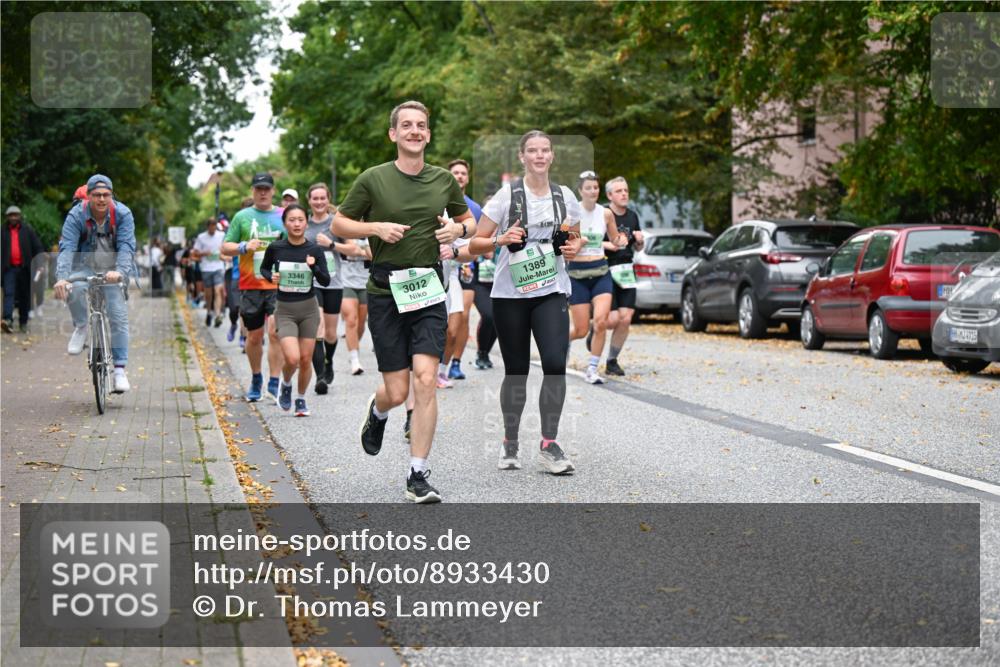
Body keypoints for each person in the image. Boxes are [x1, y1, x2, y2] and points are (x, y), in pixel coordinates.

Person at [333, 100, 475, 504]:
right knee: (396, 392)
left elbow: (469, 223)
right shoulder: (373, 180)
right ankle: (378, 412)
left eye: (421, 126)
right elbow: (339, 223)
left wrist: (456, 231)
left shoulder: (444, 180)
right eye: (406, 126)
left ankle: (418, 474)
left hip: (429, 288)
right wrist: (374, 227)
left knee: (427, 380)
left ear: (428, 135)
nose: (415, 131)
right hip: (385, 291)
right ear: (394, 134)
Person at [467, 130, 584, 475]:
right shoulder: (506, 197)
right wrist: (501, 239)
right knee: (516, 371)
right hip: (510, 295)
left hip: (551, 291)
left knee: (554, 362)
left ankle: (549, 443)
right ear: (522, 157)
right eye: (532, 150)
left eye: (545, 150)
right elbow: (476, 243)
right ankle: (510, 440)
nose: (539, 156)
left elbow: (575, 238)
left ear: (552, 155)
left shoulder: (565, 196)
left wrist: (574, 246)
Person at [52, 174, 136, 393]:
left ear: (111, 195)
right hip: (84, 266)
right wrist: (62, 277)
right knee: (75, 287)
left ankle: (119, 370)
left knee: (118, 316)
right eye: (96, 195)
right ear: (88, 197)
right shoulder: (76, 215)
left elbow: (127, 246)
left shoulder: (123, 213)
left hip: (113, 269)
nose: (101, 199)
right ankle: (81, 326)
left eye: (106, 195)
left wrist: (119, 272)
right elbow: (67, 247)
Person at [259, 204, 331, 416]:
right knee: (291, 358)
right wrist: (269, 276)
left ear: (306, 222)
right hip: (285, 309)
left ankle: (300, 399)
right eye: (292, 220)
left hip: (309, 309)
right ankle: (286, 383)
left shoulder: (315, 250)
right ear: (285, 223)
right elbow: (264, 267)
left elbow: (326, 281)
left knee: (305, 359)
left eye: (300, 220)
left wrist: (314, 267)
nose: (297, 224)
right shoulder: (276, 248)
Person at [222, 172, 286, 402]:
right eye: (258, 188)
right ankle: (257, 376)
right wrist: (243, 246)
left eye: (266, 188)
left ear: (273, 191)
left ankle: (275, 380)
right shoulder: (242, 217)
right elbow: (225, 247)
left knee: (275, 333)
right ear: (252, 191)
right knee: (254, 337)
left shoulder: (283, 215)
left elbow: (297, 240)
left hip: (277, 284)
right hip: (250, 285)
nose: (262, 192)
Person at [567, 171, 626, 384]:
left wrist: (622, 240)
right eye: (589, 188)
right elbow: (566, 251)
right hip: (577, 275)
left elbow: (614, 237)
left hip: (601, 272)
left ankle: (592, 368)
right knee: (582, 330)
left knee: (601, 322)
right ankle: (561, 343)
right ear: (580, 191)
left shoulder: (606, 213)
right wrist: (578, 243)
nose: (593, 191)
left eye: (596, 187)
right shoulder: (572, 214)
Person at [305, 182, 354, 394]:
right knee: (319, 328)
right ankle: (320, 377)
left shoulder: (336, 223)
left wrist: (331, 244)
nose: (318, 202)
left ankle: (329, 361)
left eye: (322, 198)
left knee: (331, 334)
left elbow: (352, 248)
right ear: (309, 201)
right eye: (314, 198)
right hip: (312, 283)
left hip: (333, 283)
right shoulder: (303, 225)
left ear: (328, 199)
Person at [445, 159, 485, 380]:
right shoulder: (438, 200)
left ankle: (456, 363)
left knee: (463, 315)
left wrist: (469, 261)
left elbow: (477, 241)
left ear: (467, 178)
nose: (459, 176)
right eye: (455, 173)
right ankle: (440, 359)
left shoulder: (475, 208)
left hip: (466, 266)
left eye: (463, 173)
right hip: (442, 265)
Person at [603, 176, 644, 376]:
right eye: (619, 191)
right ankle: (595, 329)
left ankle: (612, 360)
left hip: (626, 268)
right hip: (605, 268)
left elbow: (637, 246)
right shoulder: (602, 213)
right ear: (610, 195)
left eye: (626, 190)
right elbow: (588, 240)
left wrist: (639, 241)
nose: (624, 194)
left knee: (626, 318)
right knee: (611, 320)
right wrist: (608, 245)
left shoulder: (633, 216)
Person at [2, 205, 45, 333]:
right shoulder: (2, 231)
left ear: (19, 216)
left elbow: (38, 248)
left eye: (16, 215)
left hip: (25, 268)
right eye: (11, 215)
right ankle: (8, 320)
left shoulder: (27, 231)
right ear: (7, 217)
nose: (13, 217)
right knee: (9, 294)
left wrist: (40, 263)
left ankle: (23, 323)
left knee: (24, 296)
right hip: (8, 269)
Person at [339, 232, 372, 376]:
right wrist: (361, 250)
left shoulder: (371, 232)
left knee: (360, 324)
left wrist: (360, 249)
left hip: (365, 282)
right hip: (346, 282)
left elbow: (372, 254)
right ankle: (354, 359)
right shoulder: (346, 230)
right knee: (351, 320)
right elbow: (349, 247)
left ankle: (354, 349)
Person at [193, 218, 226, 327]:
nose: (212, 228)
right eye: (211, 226)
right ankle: (209, 312)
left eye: (214, 225)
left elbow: (226, 248)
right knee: (208, 293)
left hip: (218, 266)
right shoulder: (201, 237)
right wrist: (204, 253)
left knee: (218, 290)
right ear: (207, 227)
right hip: (206, 268)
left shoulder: (221, 235)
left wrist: (224, 255)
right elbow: (195, 252)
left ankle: (217, 315)